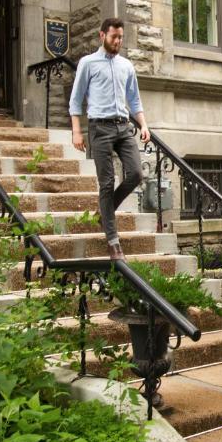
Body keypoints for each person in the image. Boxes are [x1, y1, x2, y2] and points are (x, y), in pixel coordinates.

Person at [69, 17, 151, 260]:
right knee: (106, 183)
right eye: (114, 37)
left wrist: (144, 125)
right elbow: (75, 100)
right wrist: (76, 131)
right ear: (102, 35)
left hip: (124, 127)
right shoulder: (88, 63)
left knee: (136, 173)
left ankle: (105, 211)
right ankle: (113, 243)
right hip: (100, 129)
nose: (118, 41)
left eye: (121, 38)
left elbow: (134, 100)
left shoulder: (126, 66)